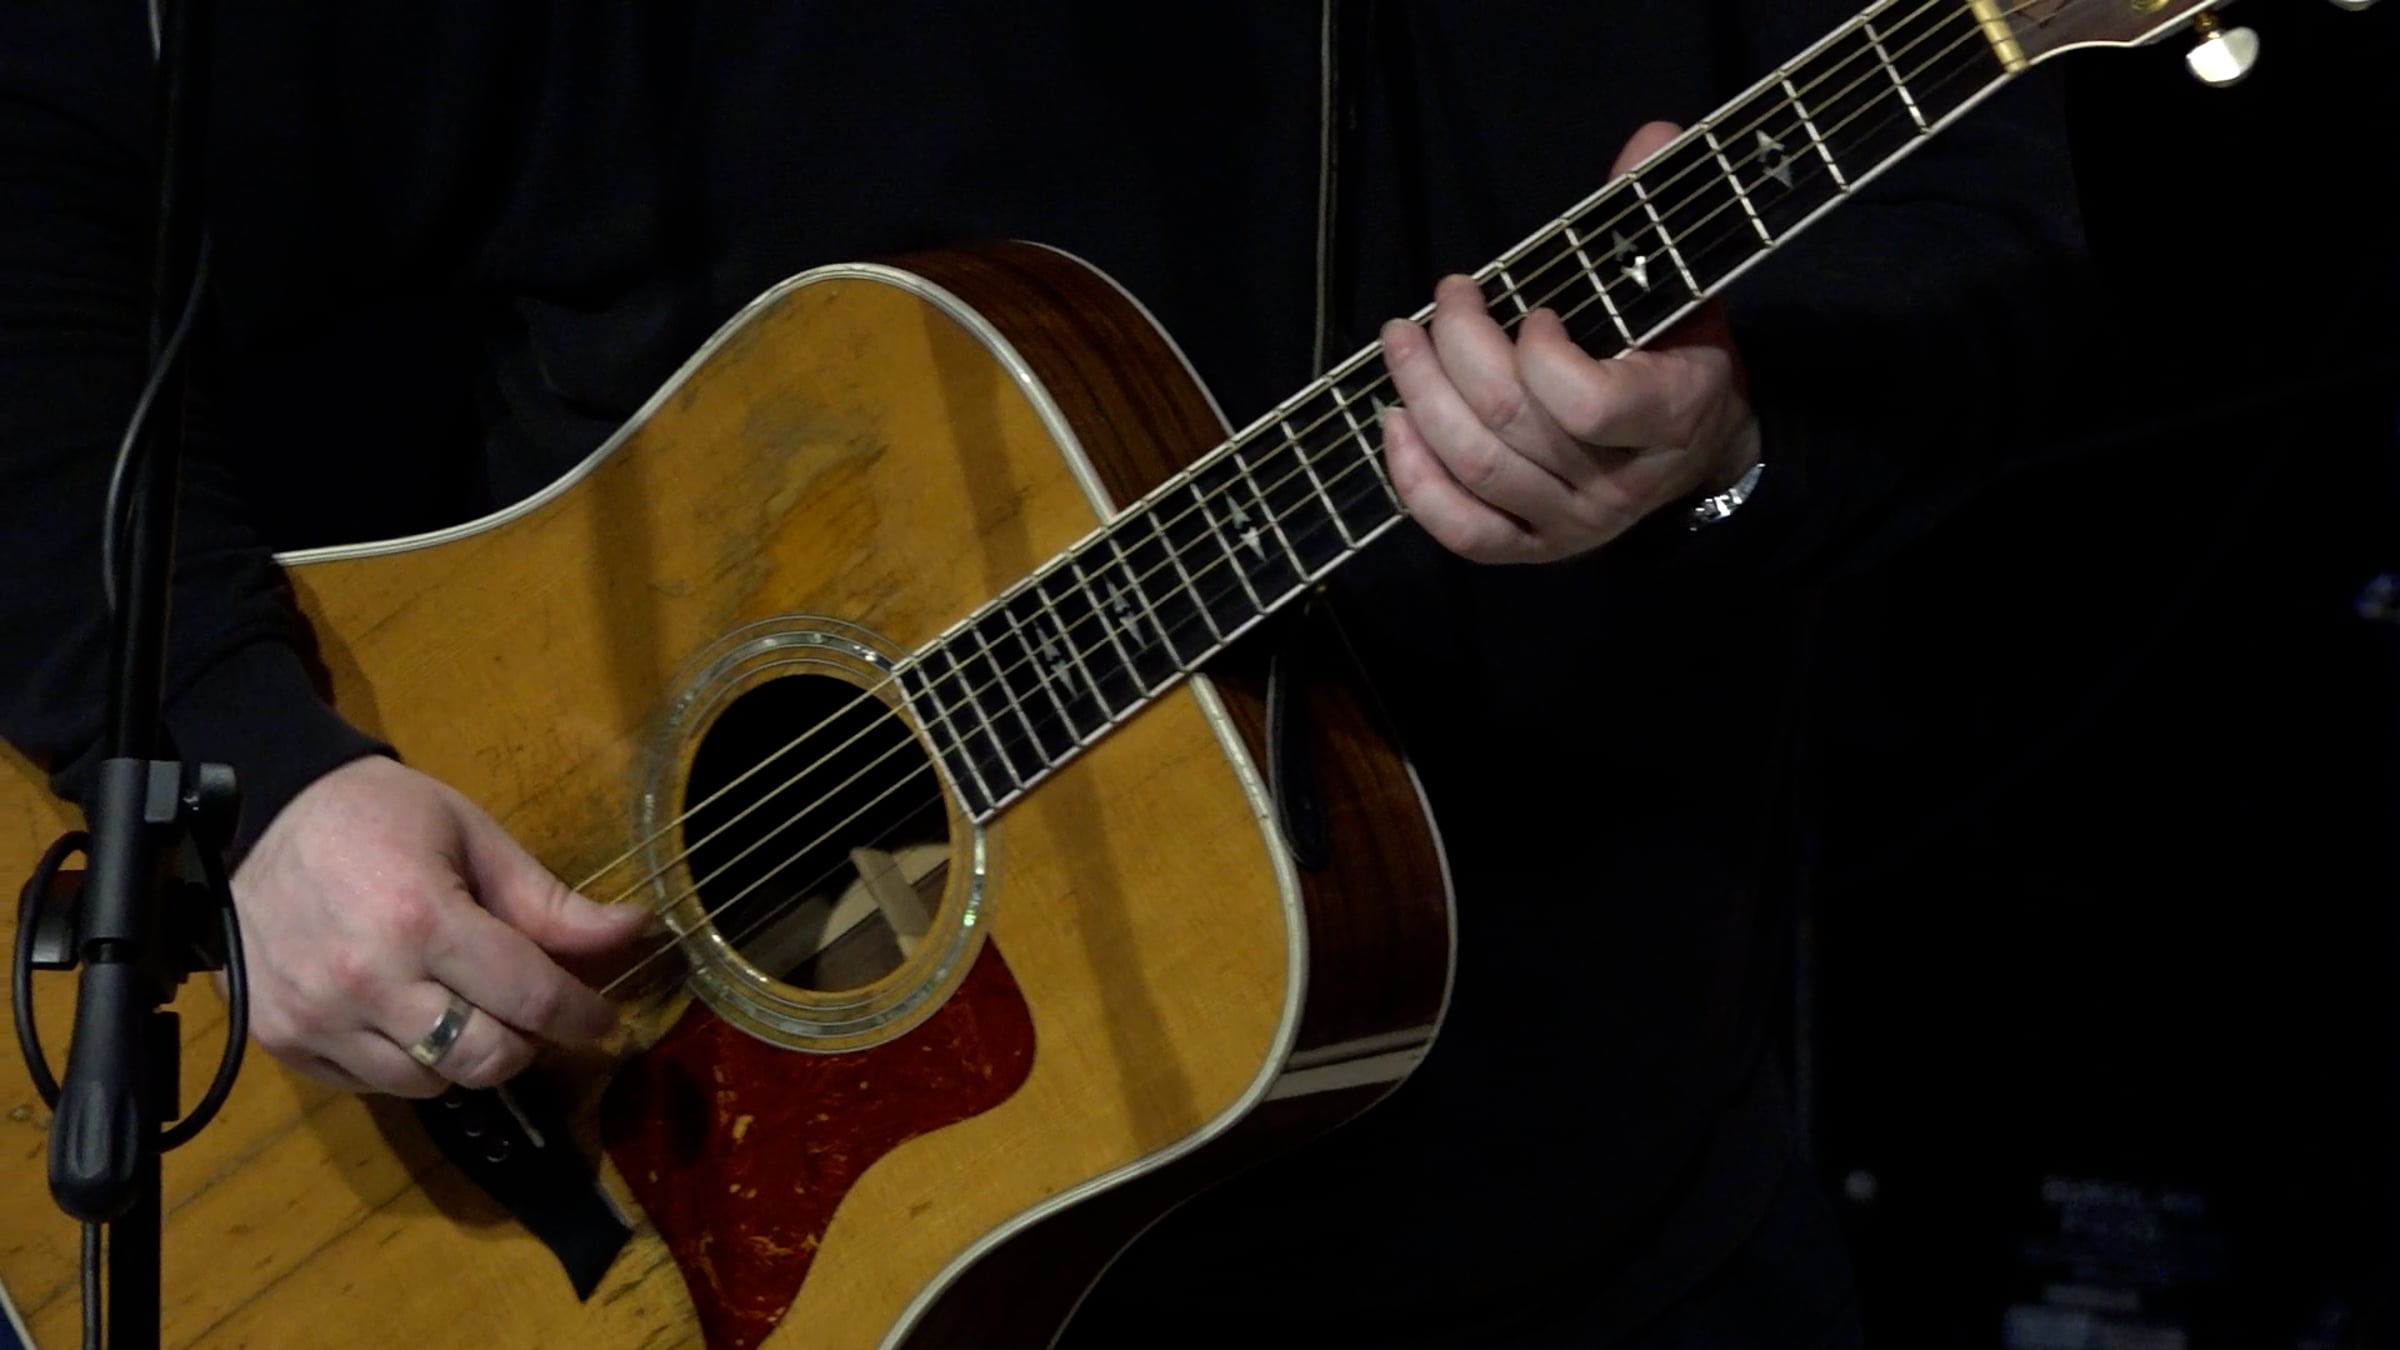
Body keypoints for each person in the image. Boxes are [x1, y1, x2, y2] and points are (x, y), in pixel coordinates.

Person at [0, 3, 2085, 1346]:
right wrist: (241, 766)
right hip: (652, 1194)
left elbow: (1986, 254)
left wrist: (1739, 428)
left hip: (1573, 1219)